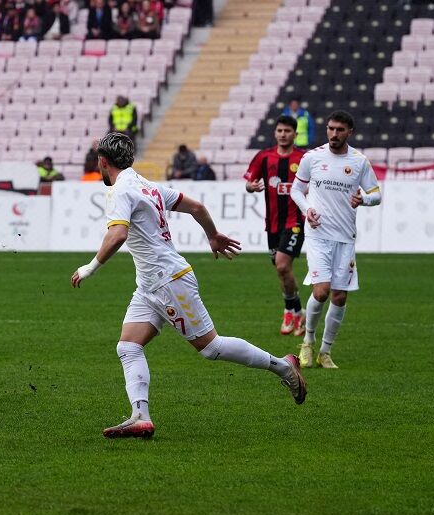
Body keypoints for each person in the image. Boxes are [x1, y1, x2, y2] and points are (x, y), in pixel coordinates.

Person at [70, 132, 307, 440]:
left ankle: (284, 367)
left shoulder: (122, 191)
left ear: (102, 162)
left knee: (211, 348)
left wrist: (89, 268)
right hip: (149, 285)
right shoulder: (147, 185)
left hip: (168, 282)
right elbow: (196, 207)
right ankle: (140, 416)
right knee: (128, 347)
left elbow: (117, 235)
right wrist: (213, 234)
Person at [290, 111, 382, 370]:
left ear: (349, 132)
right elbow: (297, 189)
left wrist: (364, 199)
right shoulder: (313, 157)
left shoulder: (359, 162)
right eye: (330, 128)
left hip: (345, 237)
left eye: (339, 129)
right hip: (318, 234)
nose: (333, 134)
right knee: (321, 291)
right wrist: (307, 209)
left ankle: (325, 352)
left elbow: (376, 194)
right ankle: (307, 341)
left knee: (340, 297)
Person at [244, 116, 307, 335]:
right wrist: (251, 187)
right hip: (272, 225)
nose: (283, 134)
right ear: (275, 133)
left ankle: (289, 311)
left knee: (282, 265)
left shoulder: (304, 158)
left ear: (295, 134)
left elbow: (316, 184)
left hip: (295, 221)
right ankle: (297, 310)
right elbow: (249, 182)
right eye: (279, 130)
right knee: (283, 272)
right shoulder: (264, 156)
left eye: (287, 131)